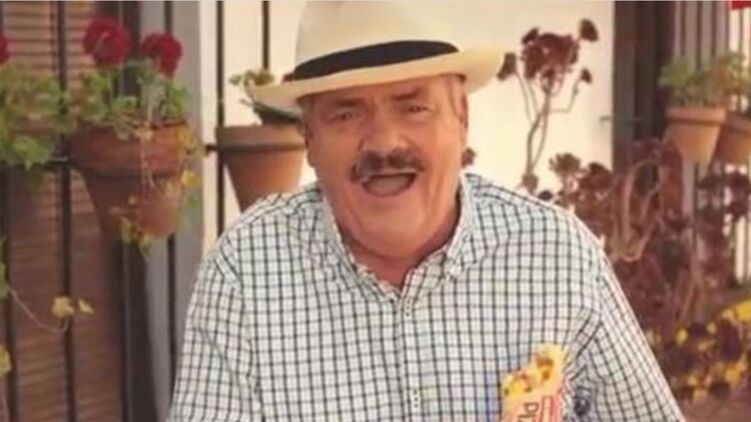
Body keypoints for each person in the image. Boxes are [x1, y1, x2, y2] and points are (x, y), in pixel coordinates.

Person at [169, 2, 683, 421]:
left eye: (413, 107)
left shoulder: (556, 255)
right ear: (309, 139)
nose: (383, 142)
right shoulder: (247, 271)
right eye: (346, 113)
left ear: (461, 119)